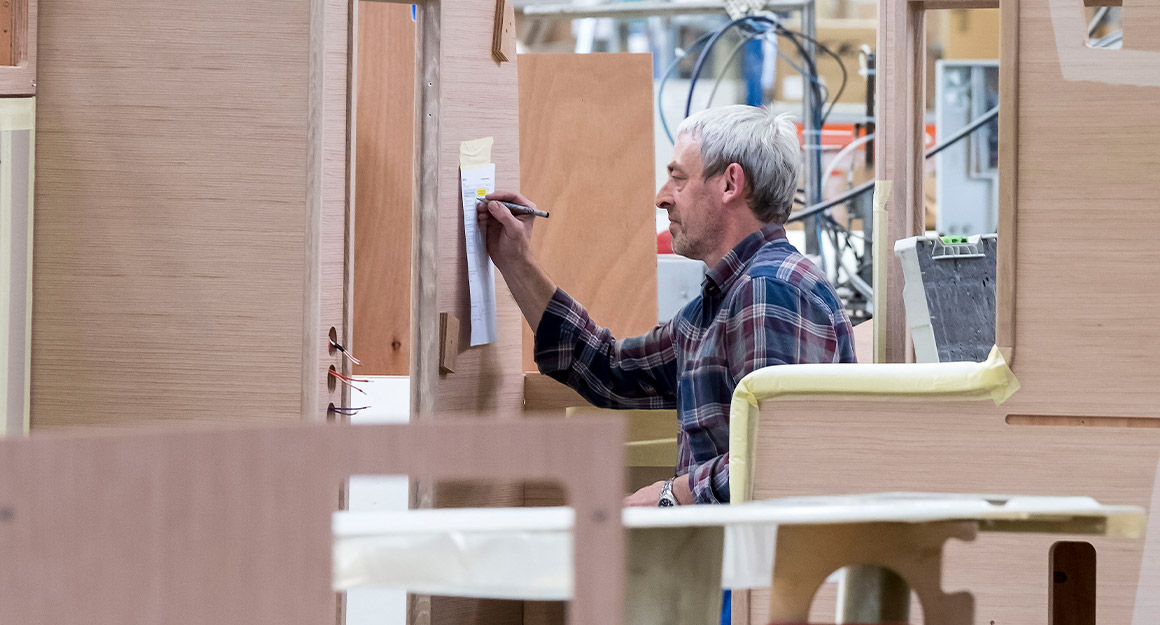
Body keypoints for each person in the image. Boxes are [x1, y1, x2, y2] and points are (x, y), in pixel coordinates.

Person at [476, 104, 856, 507]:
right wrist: (517, 261)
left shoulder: (769, 291)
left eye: (678, 179)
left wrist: (670, 495)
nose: (662, 198)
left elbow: (777, 460)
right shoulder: (722, 301)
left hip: (756, 548)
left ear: (730, 183)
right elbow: (609, 370)